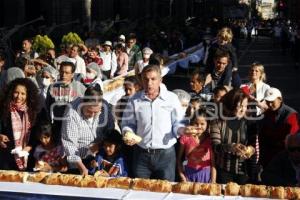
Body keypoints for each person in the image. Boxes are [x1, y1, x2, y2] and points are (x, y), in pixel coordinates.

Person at [121, 64, 185, 181]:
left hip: (166, 155)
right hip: (141, 155)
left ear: (160, 80)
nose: (149, 83)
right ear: (141, 80)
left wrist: (182, 130)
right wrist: (127, 133)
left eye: (153, 79)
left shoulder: (171, 98)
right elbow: (128, 124)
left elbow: (178, 122)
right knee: (140, 191)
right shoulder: (134, 100)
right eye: (146, 79)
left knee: (165, 191)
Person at [61, 85, 115, 175]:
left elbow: (110, 130)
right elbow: (69, 144)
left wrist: (101, 144)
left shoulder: (105, 106)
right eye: (89, 111)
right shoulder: (71, 113)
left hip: (101, 156)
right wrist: (81, 167)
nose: (92, 115)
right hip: (79, 160)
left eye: (96, 112)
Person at [210, 88, 256, 184]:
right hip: (224, 171)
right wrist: (230, 147)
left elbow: (253, 146)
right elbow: (215, 147)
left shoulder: (249, 123)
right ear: (231, 104)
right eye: (240, 105)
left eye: (245, 106)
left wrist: (249, 150)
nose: (243, 109)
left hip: (244, 171)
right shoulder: (218, 122)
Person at [0, 78, 40, 170]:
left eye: (23, 94)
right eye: (16, 92)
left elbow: (36, 135)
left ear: (28, 95)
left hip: (28, 157)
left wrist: (28, 148)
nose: (18, 96)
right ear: (11, 93)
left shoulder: (33, 112)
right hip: (6, 157)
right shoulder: (3, 109)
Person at [259, 87, 300, 169]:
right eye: (267, 102)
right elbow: (262, 134)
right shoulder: (267, 113)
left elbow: (292, 141)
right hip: (268, 156)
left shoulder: (291, 115)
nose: (270, 104)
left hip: (285, 157)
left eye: (272, 101)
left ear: (280, 99)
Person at [177, 108, 216, 183]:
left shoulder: (210, 139)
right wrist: (182, 177)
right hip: (188, 175)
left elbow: (213, 164)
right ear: (192, 123)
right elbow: (179, 160)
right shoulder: (185, 137)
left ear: (207, 124)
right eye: (196, 123)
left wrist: (213, 181)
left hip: (206, 176)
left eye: (202, 124)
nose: (199, 126)